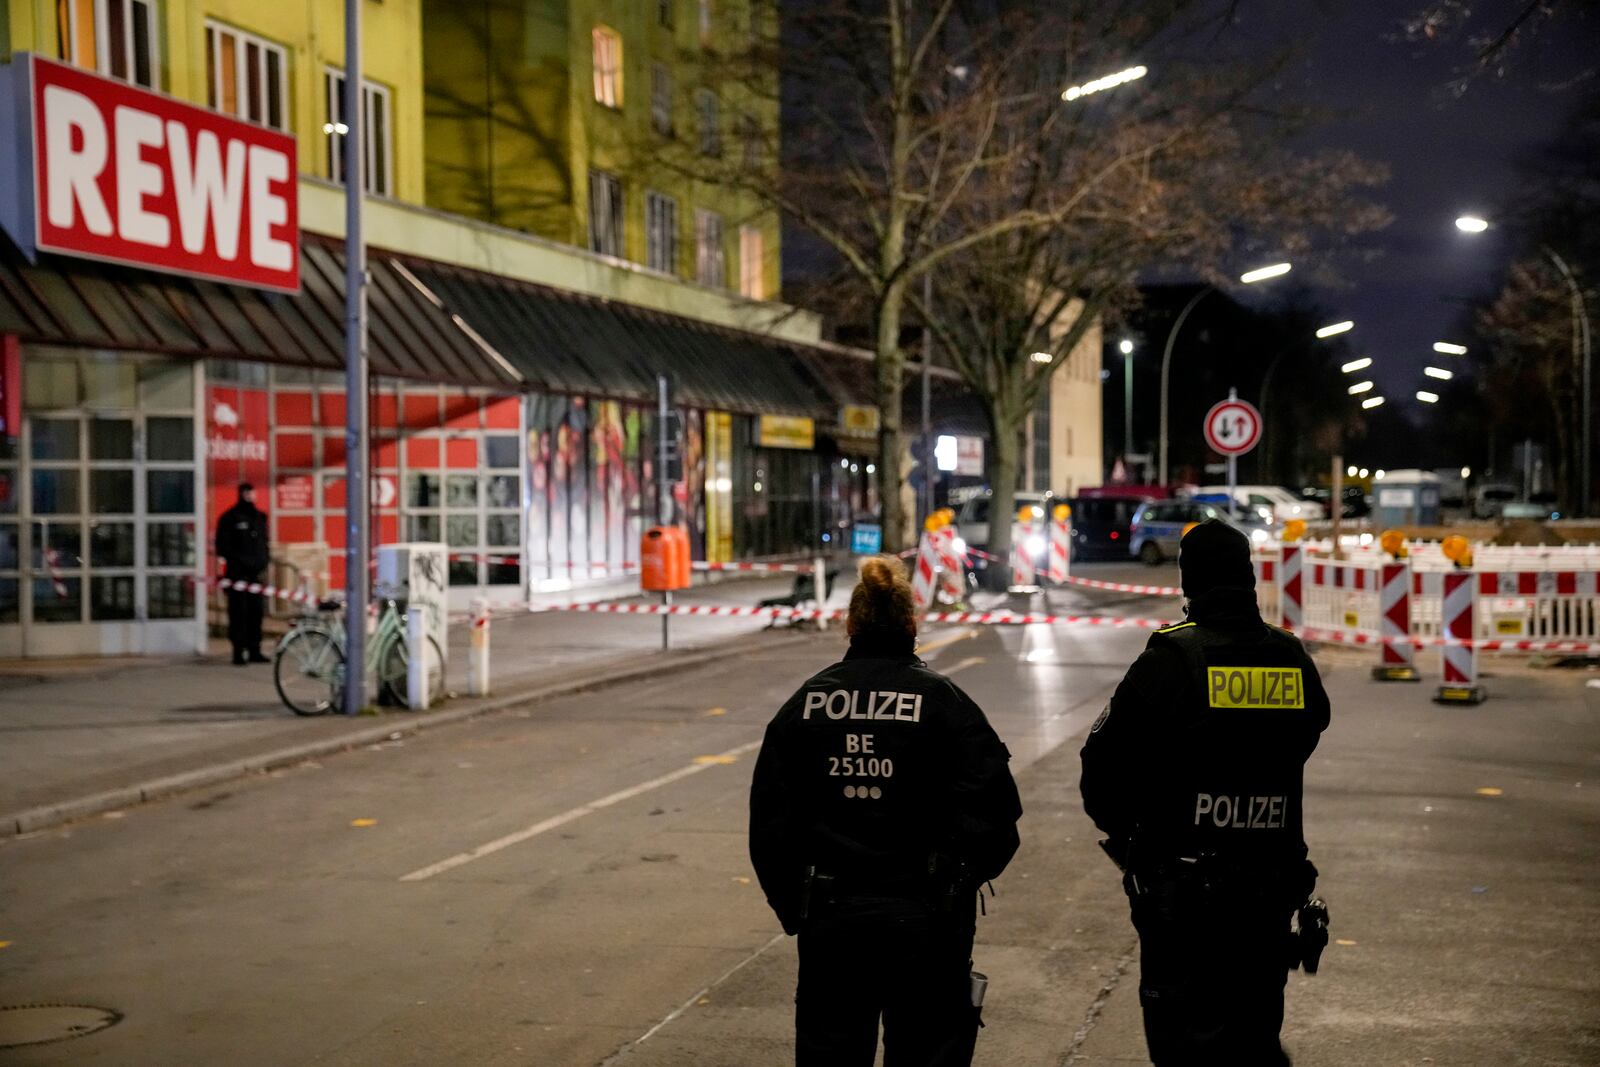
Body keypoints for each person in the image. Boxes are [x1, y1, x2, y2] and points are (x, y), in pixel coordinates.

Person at [749, 555, 1022, 1067]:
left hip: (832, 921)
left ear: (850, 626)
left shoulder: (805, 705)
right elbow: (997, 815)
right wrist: (953, 894)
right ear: (912, 626)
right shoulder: (945, 704)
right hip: (924, 920)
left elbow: (769, 825)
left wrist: (798, 910)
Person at [1080, 520, 1331, 1065]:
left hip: (1184, 895)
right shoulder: (1290, 658)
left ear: (1188, 582)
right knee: (1255, 1037)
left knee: (1184, 1045)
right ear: (1249, 578)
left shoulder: (1171, 660)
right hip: (1267, 891)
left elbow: (1100, 771)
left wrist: (1133, 843)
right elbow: (1309, 733)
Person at [215, 482, 270, 665]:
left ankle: (255, 649)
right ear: (240, 494)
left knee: (256, 613)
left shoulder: (260, 518)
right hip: (237, 575)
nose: (249, 496)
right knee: (239, 613)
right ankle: (238, 651)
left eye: (252, 492)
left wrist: (263, 562)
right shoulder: (230, 518)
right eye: (246, 492)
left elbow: (264, 543)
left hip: (256, 575)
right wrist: (241, 562)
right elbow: (223, 547)